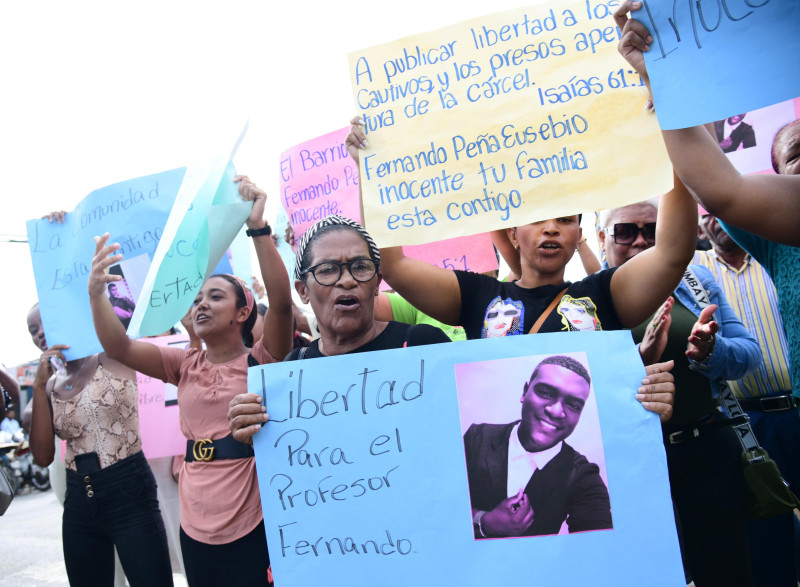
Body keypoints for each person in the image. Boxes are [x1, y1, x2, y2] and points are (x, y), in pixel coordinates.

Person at [88, 175, 294, 586]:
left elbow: (284, 302)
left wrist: (257, 227)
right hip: (194, 520)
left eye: (215, 296)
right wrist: (96, 293)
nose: (201, 303)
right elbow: (120, 347)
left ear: (242, 313)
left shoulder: (265, 359)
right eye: (197, 298)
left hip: (253, 517)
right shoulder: (183, 364)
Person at [600, 200, 762, 587]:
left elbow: (749, 353)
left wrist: (711, 352)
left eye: (653, 230)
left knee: (727, 573)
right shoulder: (583, 303)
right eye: (625, 231)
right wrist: (635, 362)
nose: (640, 241)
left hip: (707, 453)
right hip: (634, 465)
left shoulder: (695, 281)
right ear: (602, 238)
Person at [228, 215, 453, 441]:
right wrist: (255, 428)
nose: (347, 280)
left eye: (360, 266)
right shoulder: (295, 369)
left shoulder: (422, 345)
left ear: (377, 283)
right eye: (327, 269)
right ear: (303, 290)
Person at [614, 0, 800, 248]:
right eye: (796, 154)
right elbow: (722, 187)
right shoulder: (772, 238)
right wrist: (660, 75)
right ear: (779, 176)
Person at [28, 301, 173, 587]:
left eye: (45, 322)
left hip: (130, 492)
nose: (40, 333)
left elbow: (113, 315)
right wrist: (36, 386)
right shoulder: (49, 385)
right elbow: (43, 457)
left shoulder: (111, 356)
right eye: (33, 330)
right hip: (79, 500)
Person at [694, 212, 799, 587]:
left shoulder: (781, 250)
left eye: (723, 209)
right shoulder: (693, 273)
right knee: (769, 539)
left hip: (797, 408)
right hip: (745, 426)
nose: (716, 220)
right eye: (706, 213)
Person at [466, 355, 611, 539]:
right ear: (524, 392)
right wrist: (485, 521)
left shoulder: (583, 476)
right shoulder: (477, 438)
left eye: (573, 405)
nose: (556, 411)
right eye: (546, 393)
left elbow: (598, 544)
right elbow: (436, 503)